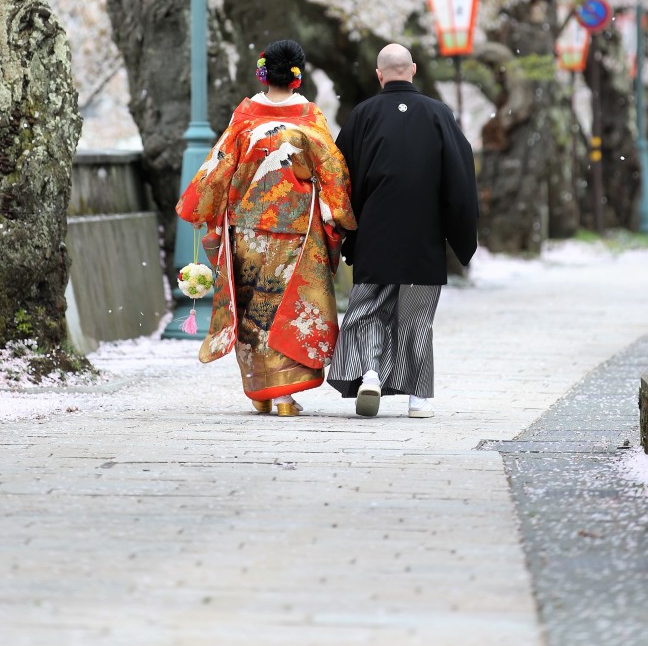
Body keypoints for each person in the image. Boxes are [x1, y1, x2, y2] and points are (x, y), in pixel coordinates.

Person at [176, 39, 355, 416]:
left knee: (252, 307)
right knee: (288, 305)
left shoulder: (245, 114)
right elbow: (333, 170)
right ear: (297, 76)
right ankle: (285, 396)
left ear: (263, 73)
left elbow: (220, 166)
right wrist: (339, 214)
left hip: (247, 230)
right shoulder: (310, 117)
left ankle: (259, 390)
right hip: (297, 230)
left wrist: (198, 207)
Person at [327, 43, 478, 418]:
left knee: (367, 311)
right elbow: (460, 180)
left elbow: (338, 179)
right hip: (423, 234)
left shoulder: (362, 115)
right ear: (412, 69)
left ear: (380, 75)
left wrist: (347, 231)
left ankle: (372, 374)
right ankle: (419, 399)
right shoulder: (439, 114)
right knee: (416, 317)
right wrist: (460, 236)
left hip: (375, 232)